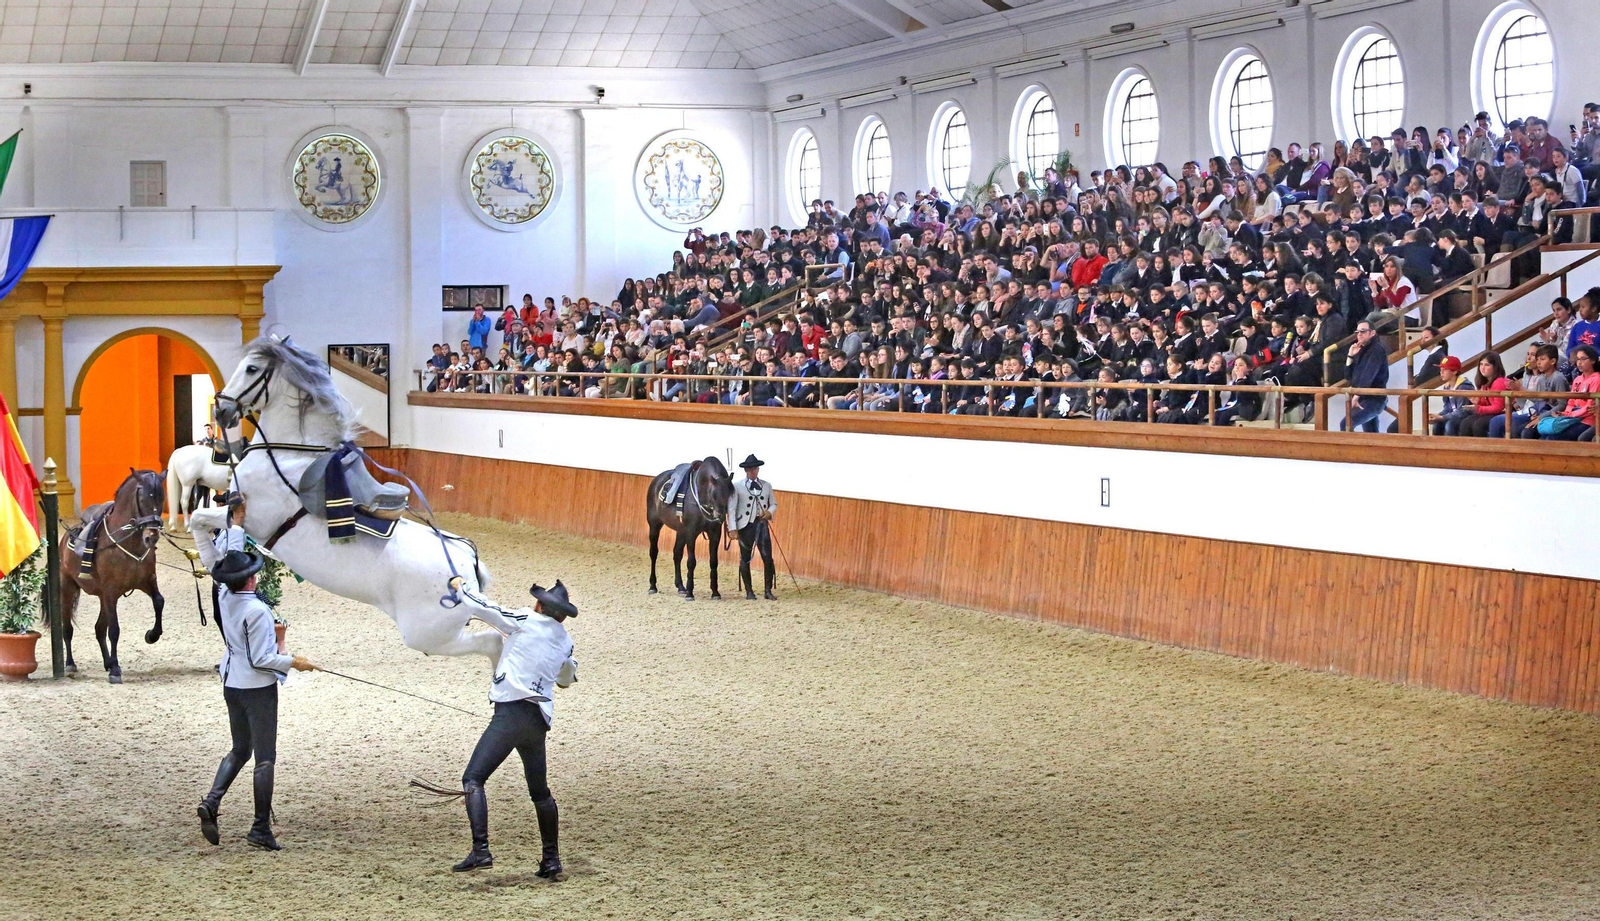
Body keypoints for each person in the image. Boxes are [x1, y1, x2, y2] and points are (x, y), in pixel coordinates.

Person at [187, 503, 317, 852]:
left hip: (231, 683)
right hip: (257, 688)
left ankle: (212, 801)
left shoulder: (224, 593)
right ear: (251, 579)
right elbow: (262, 659)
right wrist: (295, 662)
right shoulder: (257, 611)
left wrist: (237, 525)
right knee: (265, 757)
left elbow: (226, 556)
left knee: (239, 749)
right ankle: (260, 827)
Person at [446, 580, 579, 879]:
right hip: (537, 722)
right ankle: (551, 860)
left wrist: (461, 586)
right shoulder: (565, 640)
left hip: (509, 715)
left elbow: (485, 608)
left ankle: (481, 850)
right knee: (540, 793)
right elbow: (568, 677)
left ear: (541, 606)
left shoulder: (524, 620)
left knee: (473, 779)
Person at [728, 454, 777, 601]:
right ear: (746, 471)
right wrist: (732, 527)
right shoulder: (737, 487)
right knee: (745, 558)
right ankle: (749, 591)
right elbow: (732, 508)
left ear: (758, 469)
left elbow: (774, 503)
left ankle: (768, 590)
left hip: (761, 524)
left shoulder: (767, 486)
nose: (752, 471)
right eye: (750, 469)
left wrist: (769, 512)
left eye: (755, 469)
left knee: (767, 557)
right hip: (745, 525)